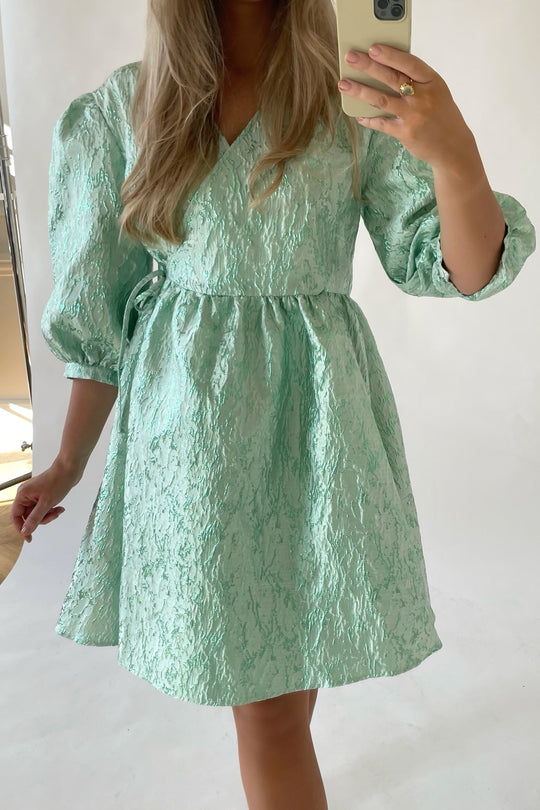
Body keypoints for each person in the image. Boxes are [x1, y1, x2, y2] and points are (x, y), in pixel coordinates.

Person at [12, 0, 536, 807]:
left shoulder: (348, 97)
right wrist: (67, 462)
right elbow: (101, 320)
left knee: (277, 702)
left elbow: (462, 267)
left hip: (317, 437)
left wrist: (456, 157)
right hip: (195, 448)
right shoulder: (128, 107)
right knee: (270, 714)